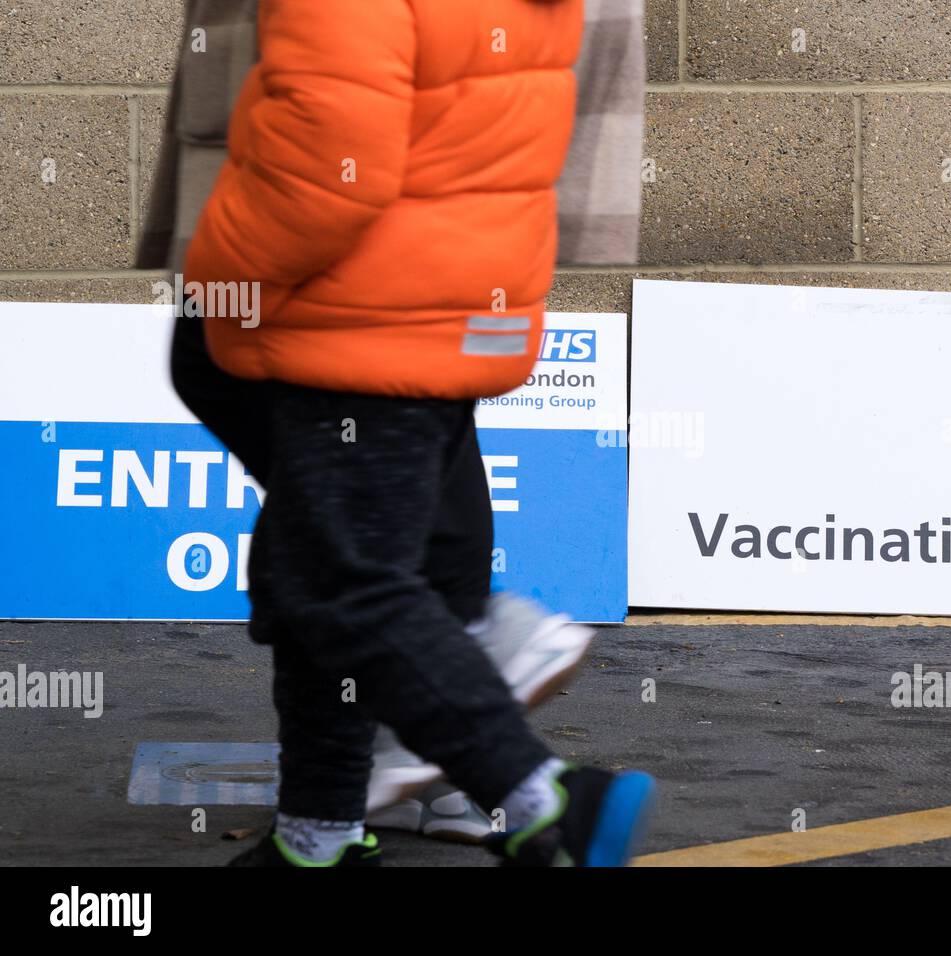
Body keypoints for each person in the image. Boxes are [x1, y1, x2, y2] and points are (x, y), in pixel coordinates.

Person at [139, 0, 652, 867]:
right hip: (439, 299)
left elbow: (329, 164)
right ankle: (321, 830)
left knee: (344, 580)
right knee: (318, 557)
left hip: (357, 313)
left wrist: (219, 276)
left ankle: (545, 794)